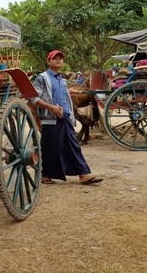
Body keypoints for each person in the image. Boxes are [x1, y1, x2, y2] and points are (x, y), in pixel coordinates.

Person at [32, 50, 103, 185]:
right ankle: (46, 175)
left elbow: (65, 98)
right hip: (50, 117)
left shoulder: (62, 80)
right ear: (48, 61)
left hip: (65, 116)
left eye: (60, 59)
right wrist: (51, 107)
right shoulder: (42, 78)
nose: (58, 60)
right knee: (49, 147)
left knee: (73, 145)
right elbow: (34, 98)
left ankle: (83, 174)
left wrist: (70, 114)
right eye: (55, 58)